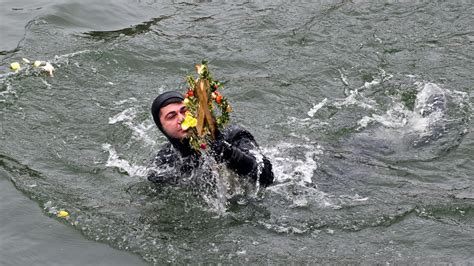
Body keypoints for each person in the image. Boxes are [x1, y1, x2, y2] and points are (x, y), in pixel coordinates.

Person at [147, 91, 274, 187]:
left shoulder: (232, 135)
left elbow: (266, 177)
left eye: (184, 110)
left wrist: (227, 152)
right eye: (171, 116)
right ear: (162, 127)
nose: (181, 119)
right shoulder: (165, 161)